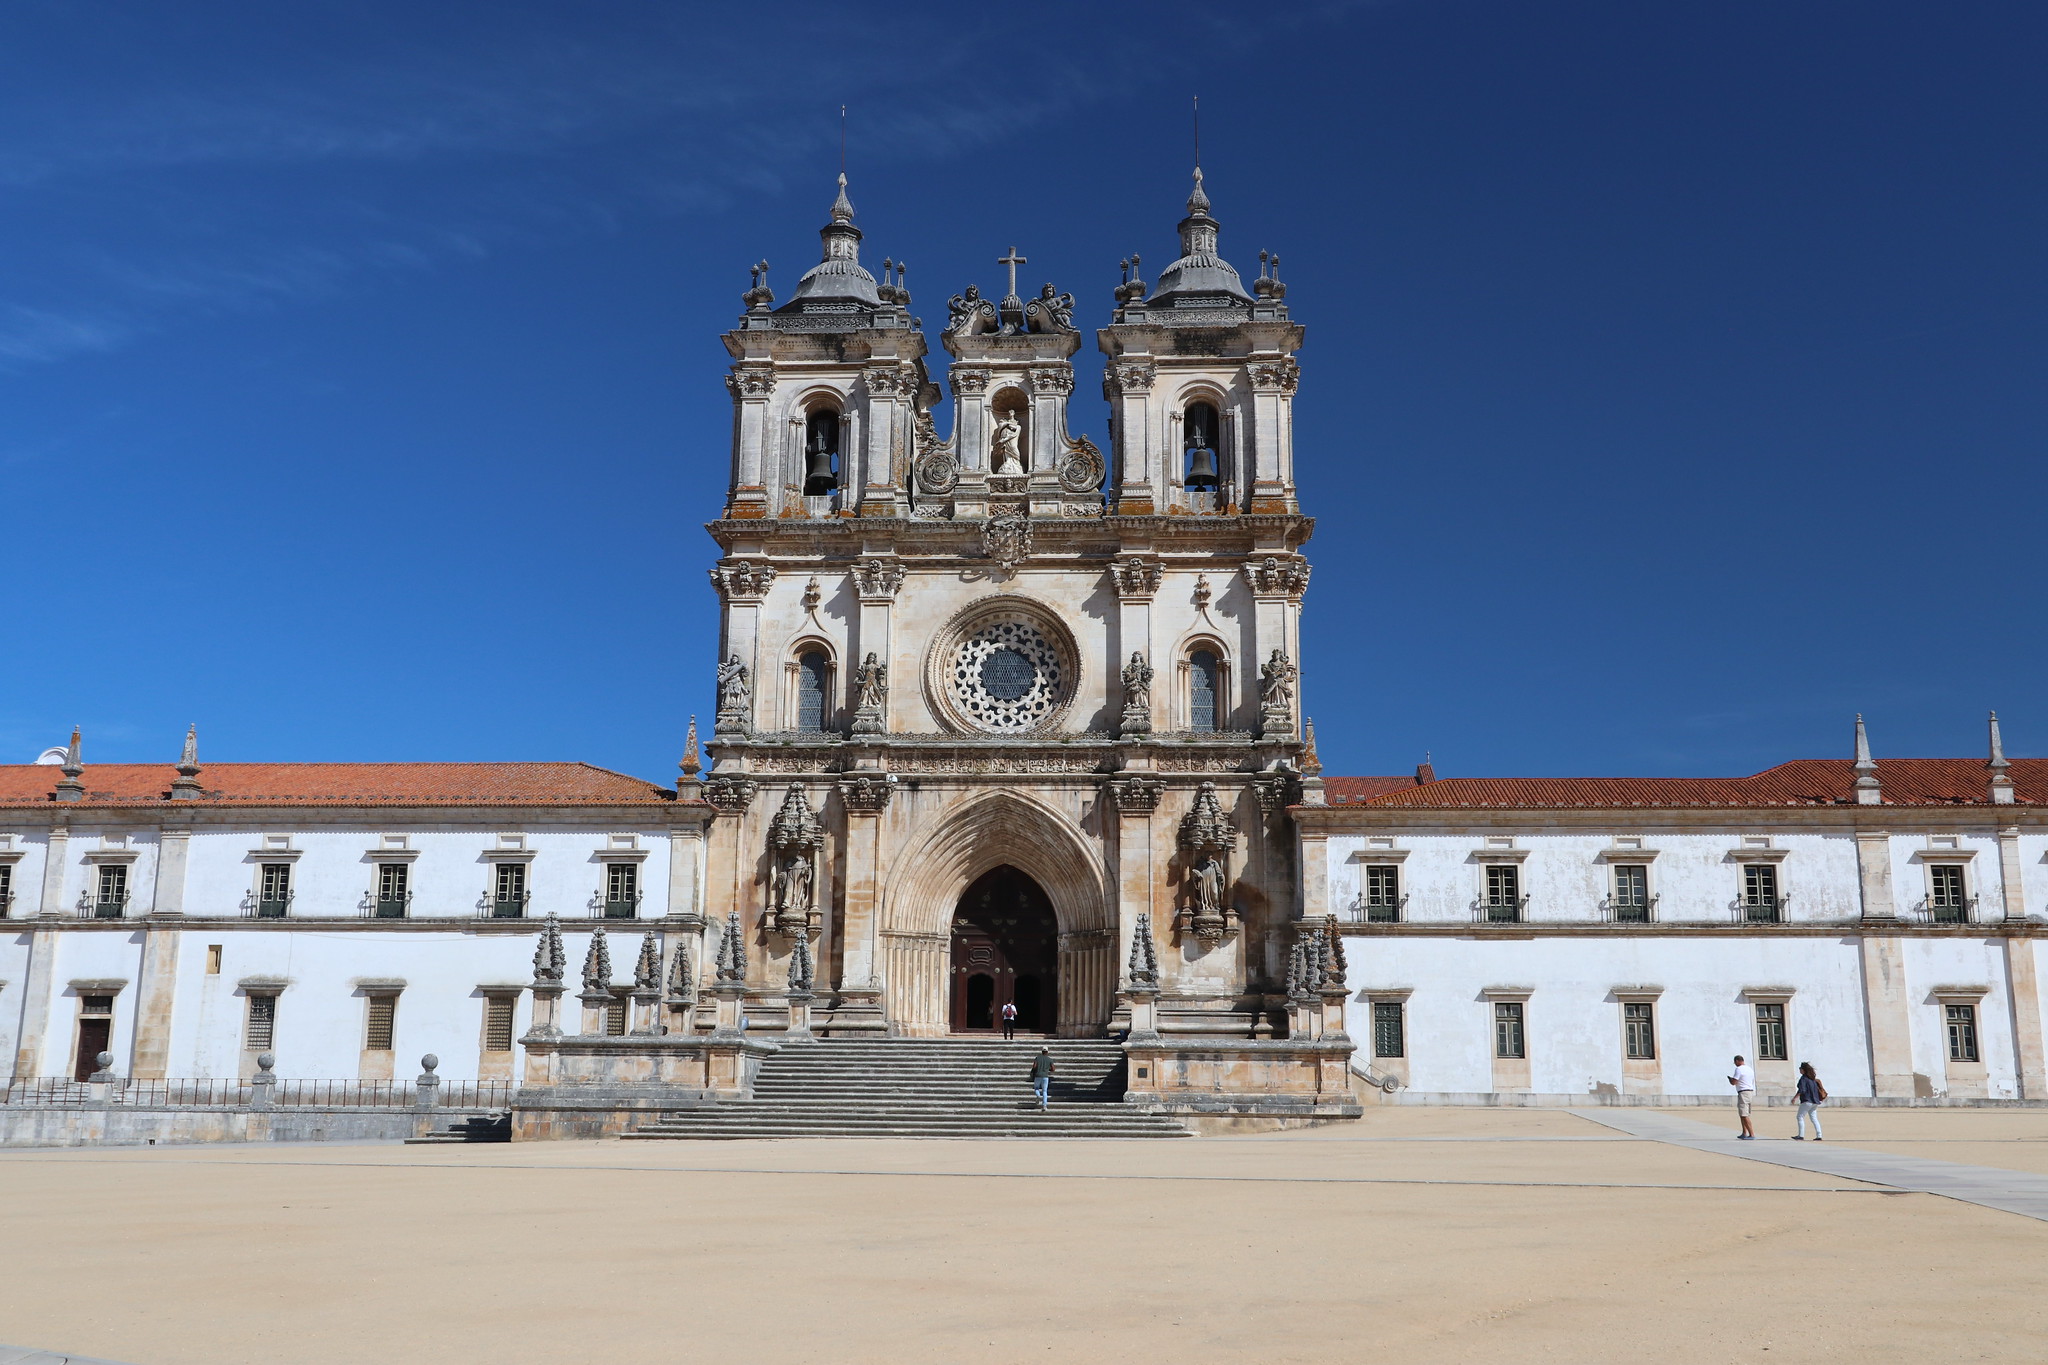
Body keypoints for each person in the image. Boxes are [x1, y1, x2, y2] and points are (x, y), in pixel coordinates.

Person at [1793, 1062, 1827, 1141]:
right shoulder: (1812, 1079)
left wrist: (1795, 1098)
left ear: (1804, 1070)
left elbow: (1802, 1090)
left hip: (1807, 1100)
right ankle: (1819, 1135)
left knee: (1800, 1117)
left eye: (1800, 1069)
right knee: (1814, 1118)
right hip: (1815, 1101)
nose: (1799, 1070)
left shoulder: (1803, 1079)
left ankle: (1800, 1135)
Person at [1727, 1054, 1757, 1139]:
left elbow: (1734, 1082)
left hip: (1743, 1092)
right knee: (1743, 1113)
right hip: (1750, 1091)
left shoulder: (1739, 1069)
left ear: (1737, 1061)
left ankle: (1751, 1134)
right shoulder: (1749, 1069)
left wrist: (1730, 1080)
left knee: (1744, 1114)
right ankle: (1744, 1132)